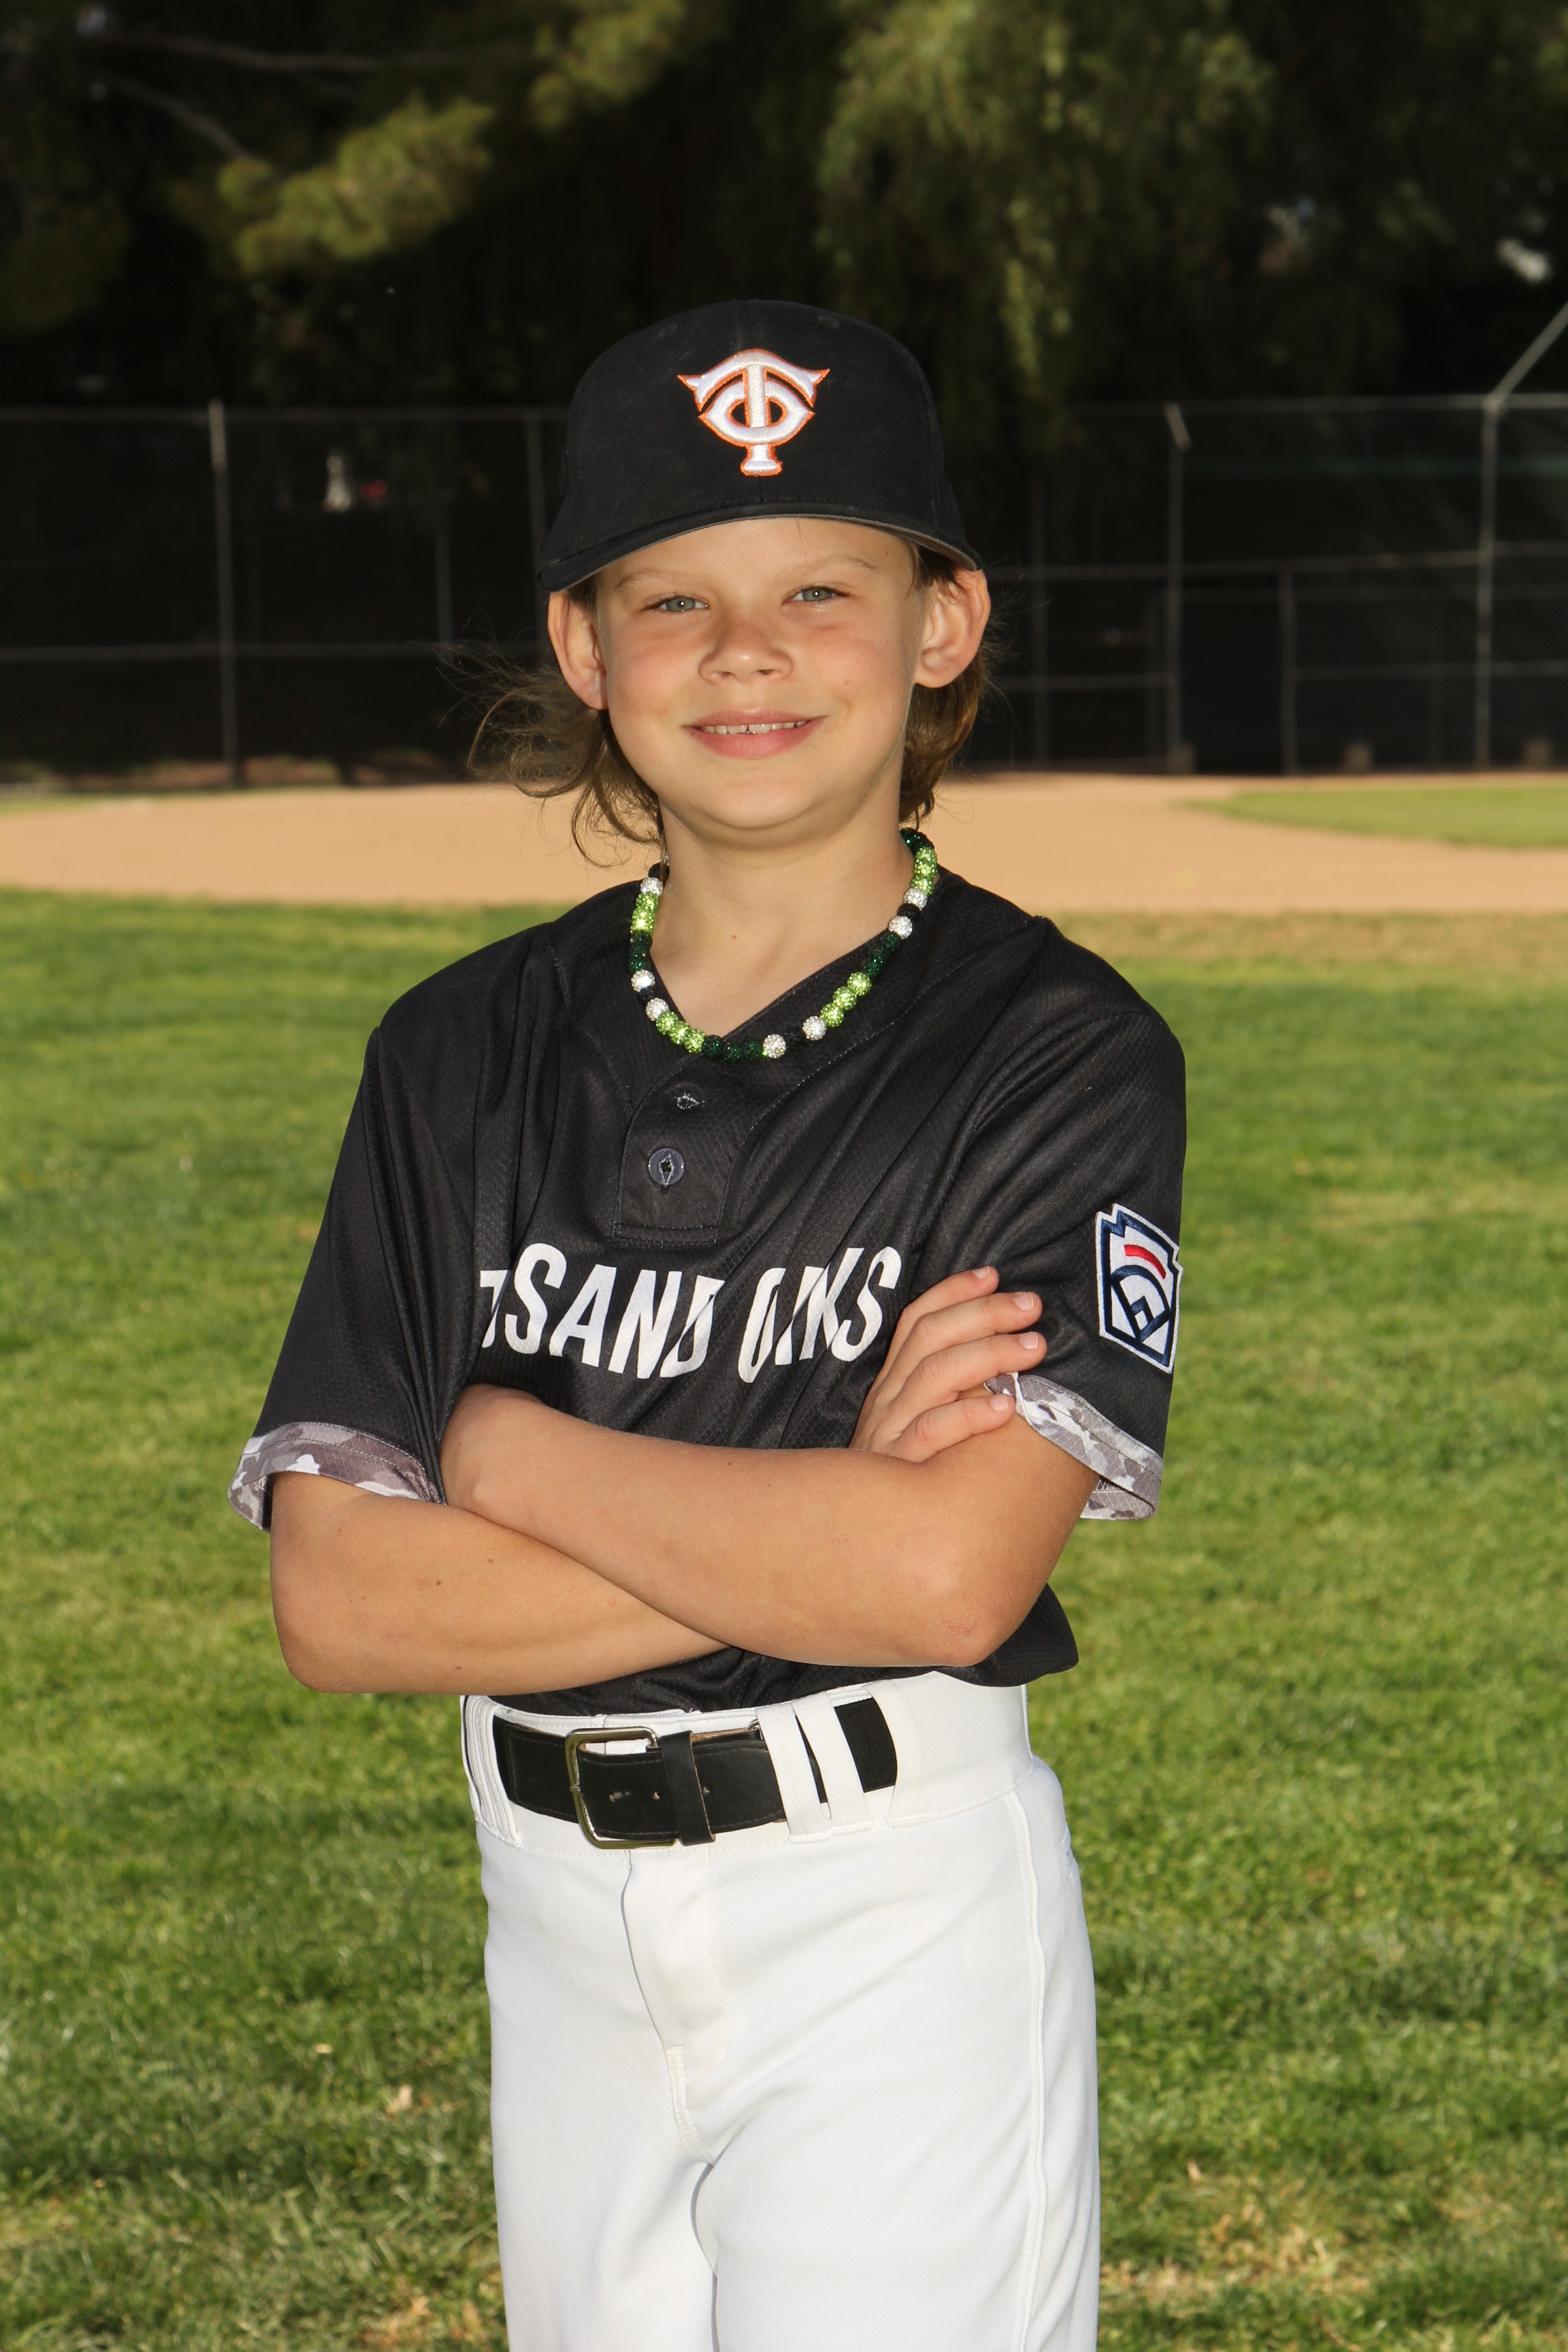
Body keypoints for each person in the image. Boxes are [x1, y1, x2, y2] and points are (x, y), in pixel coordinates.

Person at [229, 299, 1186, 2352]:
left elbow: (945, 1578)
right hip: (550, 1920)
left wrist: (502, 1449)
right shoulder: (458, 1052)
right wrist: (823, 1500)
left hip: (889, 1906)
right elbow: (345, 1605)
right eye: (674, 600)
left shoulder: (1055, 1049)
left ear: (942, 626)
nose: (747, 654)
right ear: (585, 649)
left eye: (822, 589)